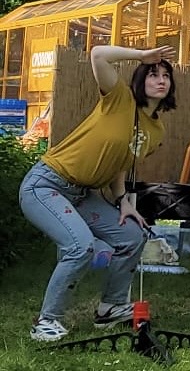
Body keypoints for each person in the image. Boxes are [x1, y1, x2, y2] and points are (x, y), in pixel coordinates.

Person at [20, 45, 177, 343]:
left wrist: (122, 202)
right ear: (140, 79)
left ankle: (111, 307)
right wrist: (141, 55)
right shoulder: (119, 98)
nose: (161, 80)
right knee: (80, 247)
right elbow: (97, 54)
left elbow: (120, 164)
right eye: (153, 74)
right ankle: (46, 322)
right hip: (46, 185)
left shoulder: (157, 131)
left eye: (166, 75)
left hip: (82, 195)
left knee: (132, 236)